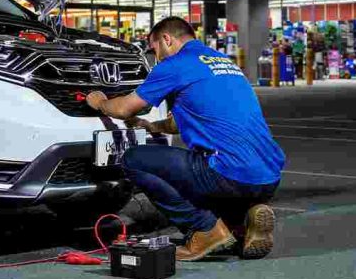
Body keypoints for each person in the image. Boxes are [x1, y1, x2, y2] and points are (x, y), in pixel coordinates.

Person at [85, 17, 286, 261]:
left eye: (155, 48)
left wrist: (100, 102)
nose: (155, 56)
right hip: (269, 175)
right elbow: (190, 117)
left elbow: (125, 109)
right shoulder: (223, 62)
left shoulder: (176, 64)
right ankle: (242, 218)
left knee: (135, 159)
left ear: (167, 39)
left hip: (230, 173)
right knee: (215, 172)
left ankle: (203, 230)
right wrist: (151, 126)